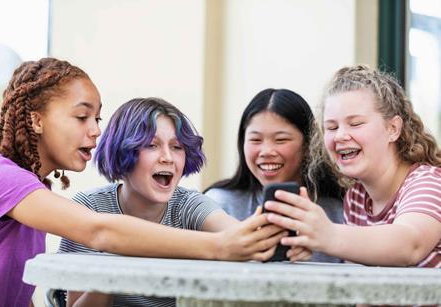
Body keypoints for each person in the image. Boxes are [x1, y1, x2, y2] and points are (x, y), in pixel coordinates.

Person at [0, 58, 286, 307]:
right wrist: (220, 247)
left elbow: (11, 292)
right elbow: (98, 230)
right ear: (36, 120)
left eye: (97, 119)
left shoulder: (30, 191)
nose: (95, 131)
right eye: (82, 117)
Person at [60, 97, 273, 306]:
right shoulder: (89, 209)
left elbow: (240, 236)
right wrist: (112, 269)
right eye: (152, 145)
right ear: (121, 150)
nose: (168, 157)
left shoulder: (188, 206)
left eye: (177, 147)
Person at [265, 65, 441, 267]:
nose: (340, 136)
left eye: (355, 123)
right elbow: (362, 289)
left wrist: (328, 235)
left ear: (393, 129)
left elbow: (410, 245)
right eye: (331, 127)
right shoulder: (356, 197)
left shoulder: (429, 182)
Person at [204, 88, 344, 263]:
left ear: (309, 145)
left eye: (281, 140)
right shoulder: (217, 204)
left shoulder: (340, 211)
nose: (266, 151)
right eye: (255, 140)